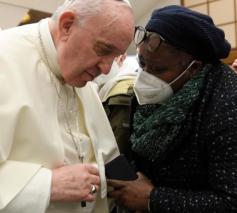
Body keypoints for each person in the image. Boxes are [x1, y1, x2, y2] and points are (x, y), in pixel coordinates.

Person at [0, 0, 134, 212]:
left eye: (115, 56)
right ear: (67, 25)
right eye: (104, 49)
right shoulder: (4, 57)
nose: (107, 69)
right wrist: (46, 186)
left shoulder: (80, 74)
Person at [107, 5, 237, 212]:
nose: (146, 76)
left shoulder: (227, 105)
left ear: (193, 68)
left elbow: (230, 201)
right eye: (142, 64)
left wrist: (152, 199)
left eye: (159, 69)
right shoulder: (143, 97)